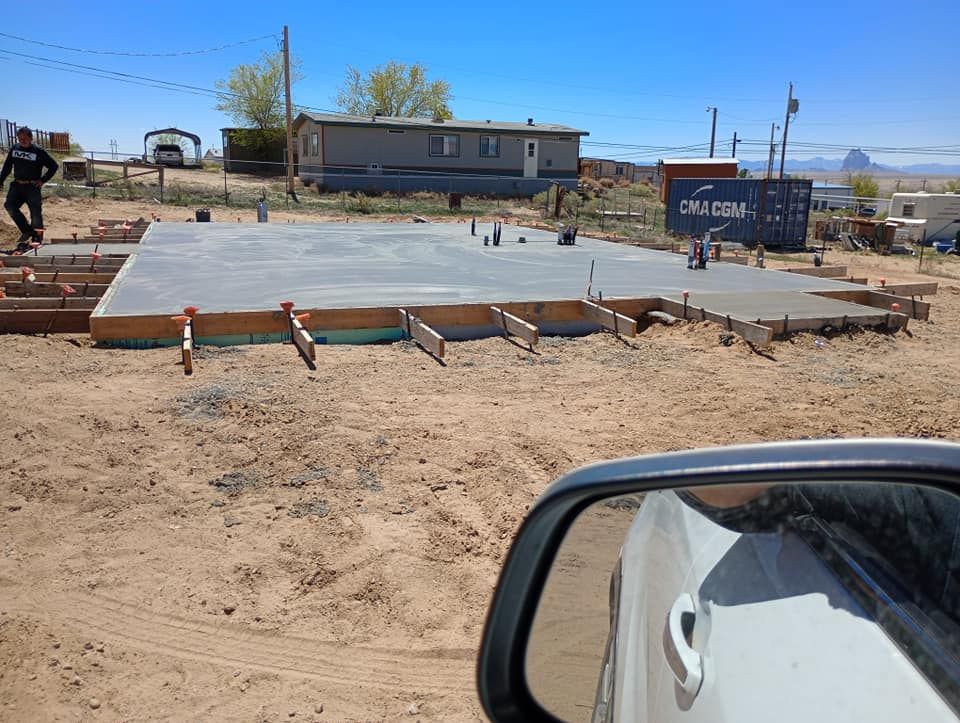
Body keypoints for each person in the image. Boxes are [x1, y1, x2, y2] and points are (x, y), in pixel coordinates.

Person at [1, 127, 59, 251]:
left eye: (25, 138)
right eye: (20, 138)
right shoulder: (14, 149)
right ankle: (27, 231)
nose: (22, 141)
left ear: (30, 138)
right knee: (9, 206)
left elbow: (54, 166)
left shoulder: (38, 152)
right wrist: (1, 180)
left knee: (35, 214)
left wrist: (43, 180)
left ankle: (37, 240)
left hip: (32, 187)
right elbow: (7, 167)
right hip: (16, 185)